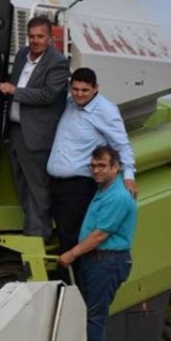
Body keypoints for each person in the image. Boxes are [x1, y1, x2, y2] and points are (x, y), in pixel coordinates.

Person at [58, 145, 137, 341]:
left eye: (102, 166)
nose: (96, 170)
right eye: (93, 166)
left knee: (95, 317)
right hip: (97, 261)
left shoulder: (118, 196)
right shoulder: (104, 190)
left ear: (116, 167)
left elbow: (100, 235)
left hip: (107, 261)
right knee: (89, 315)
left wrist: (70, 255)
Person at [48, 68, 137, 256]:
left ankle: (73, 283)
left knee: (71, 239)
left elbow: (122, 145)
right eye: (75, 89)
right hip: (55, 183)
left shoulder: (106, 110)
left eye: (84, 90)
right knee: (59, 237)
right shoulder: (70, 103)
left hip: (79, 185)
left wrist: (129, 175)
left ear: (96, 88)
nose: (79, 94)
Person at [0, 16, 70, 239]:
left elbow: (49, 95)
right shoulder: (22, 55)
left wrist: (14, 91)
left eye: (40, 36)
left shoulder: (57, 62)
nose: (35, 41)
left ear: (50, 38)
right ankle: (31, 229)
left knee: (38, 188)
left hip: (38, 136)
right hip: (16, 130)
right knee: (21, 184)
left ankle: (40, 235)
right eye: (32, 36)